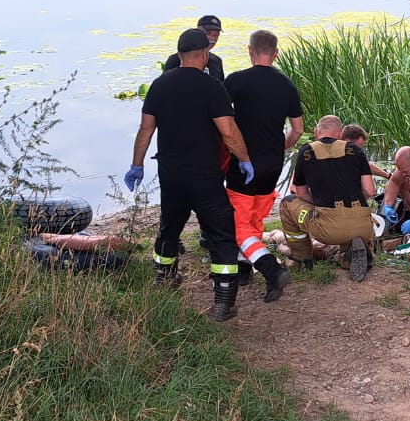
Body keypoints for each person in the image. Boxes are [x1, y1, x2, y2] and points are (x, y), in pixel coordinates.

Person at [126, 27, 252, 321]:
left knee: (169, 227)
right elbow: (228, 132)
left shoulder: (159, 85)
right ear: (205, 54)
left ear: (179, 54)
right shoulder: (212, 87)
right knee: (221, 233)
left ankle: (164, 278)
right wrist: (244, 159)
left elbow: (145, 130)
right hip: (204, 174)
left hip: (170, 173)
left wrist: (137, 165)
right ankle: (223, 302)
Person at [223, 29, 304, 303]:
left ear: (250, 50)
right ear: (276, 53)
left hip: (244, 162)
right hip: (273, 163)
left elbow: (221, 119)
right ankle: (244, 268)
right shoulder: (287, 85)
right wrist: (281, 147)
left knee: (238, 224)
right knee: (254, 218)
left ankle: (271, 270)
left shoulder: (236, 81)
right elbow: (297, 129)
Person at [280, 115, 378, 282]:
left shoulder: (306, 151)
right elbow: (370, 190)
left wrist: (320, 204)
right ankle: (349, 255)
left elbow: (301, 193)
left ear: (316, 132)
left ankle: (301, 258)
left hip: (328, 230)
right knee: (349, 232)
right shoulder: (355, 150)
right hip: (363, 226)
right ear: (340, 133)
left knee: (287, 203)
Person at [162, 13, 225, 82]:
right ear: (198, 31)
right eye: (208, 33)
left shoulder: (216, 61)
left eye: (216, 35)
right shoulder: (175, 60)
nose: (212, 39)